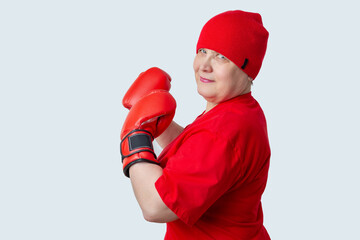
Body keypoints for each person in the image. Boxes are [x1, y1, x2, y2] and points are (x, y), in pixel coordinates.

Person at [120, 10, 271, 239]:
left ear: (246, 69)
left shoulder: (224, 131)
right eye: (203, 51)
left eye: (222, 57)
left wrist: (134, 136)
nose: (205, 66)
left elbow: (155, 206)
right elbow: (199, 156)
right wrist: (155, 121)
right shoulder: (240, 111)